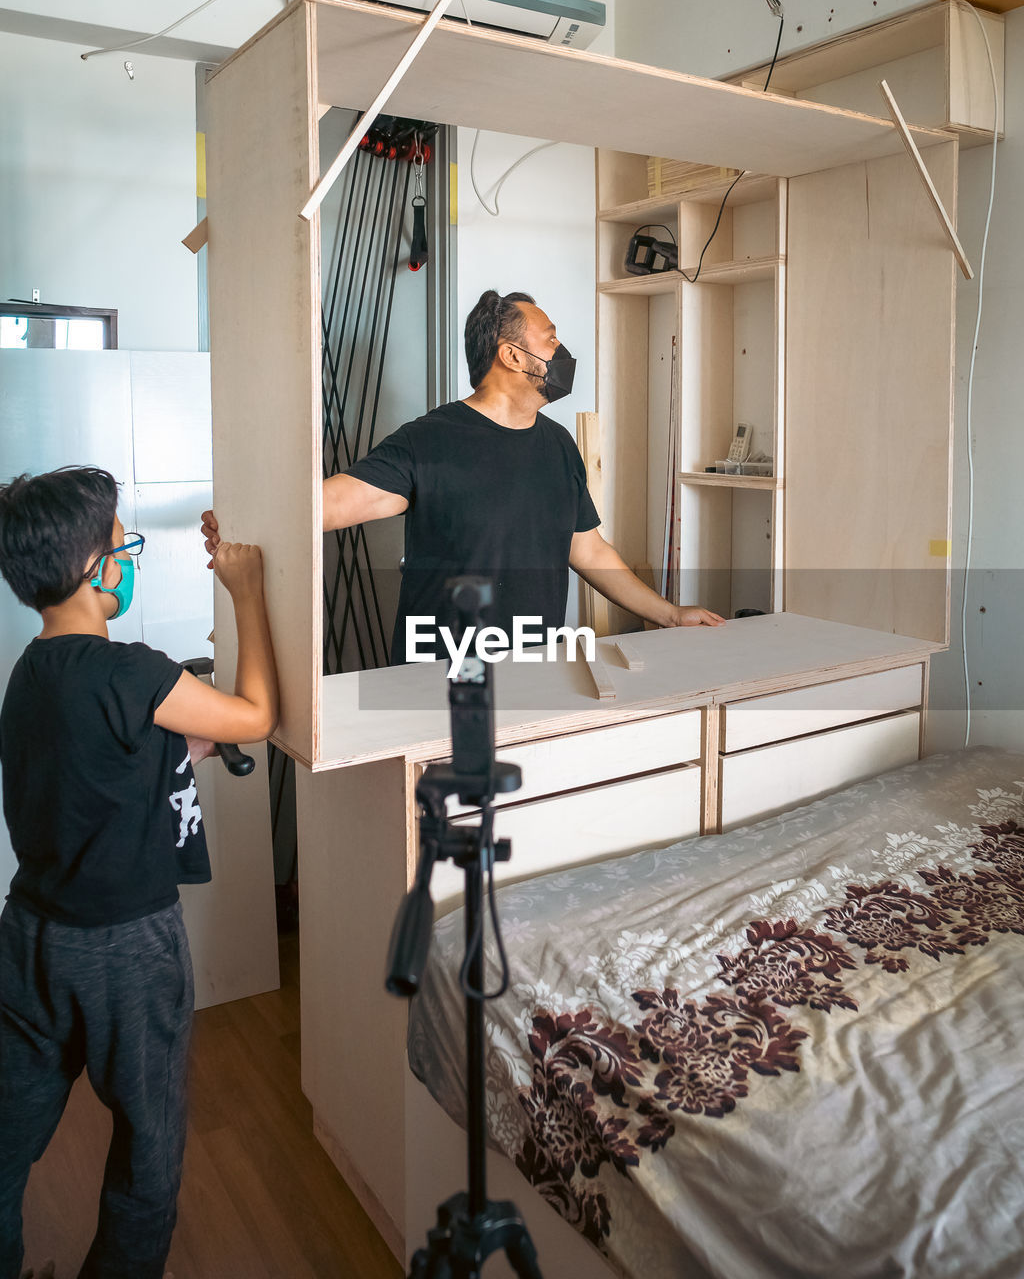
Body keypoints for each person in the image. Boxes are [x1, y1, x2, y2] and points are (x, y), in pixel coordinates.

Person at [0, 466, 279, 1279]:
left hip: (27, 941)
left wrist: (177, 744)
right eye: (121, 540)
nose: (127, 553)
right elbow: (258, 718)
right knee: (148, 1156)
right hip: (127, 950)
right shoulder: (132, 672)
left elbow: (101, 766)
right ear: (96, 565)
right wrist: (249, 591)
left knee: (7, 1143)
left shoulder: (28, 676)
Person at [201, 289, 723, 662]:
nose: (563, 355)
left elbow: (588, 550)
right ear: (514, 356)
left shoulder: (559, 444)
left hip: (535, 671)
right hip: (439, 679)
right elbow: (331, 506)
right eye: (551, 341)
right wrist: (245, 519)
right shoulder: (430, 439)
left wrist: (670, 615)